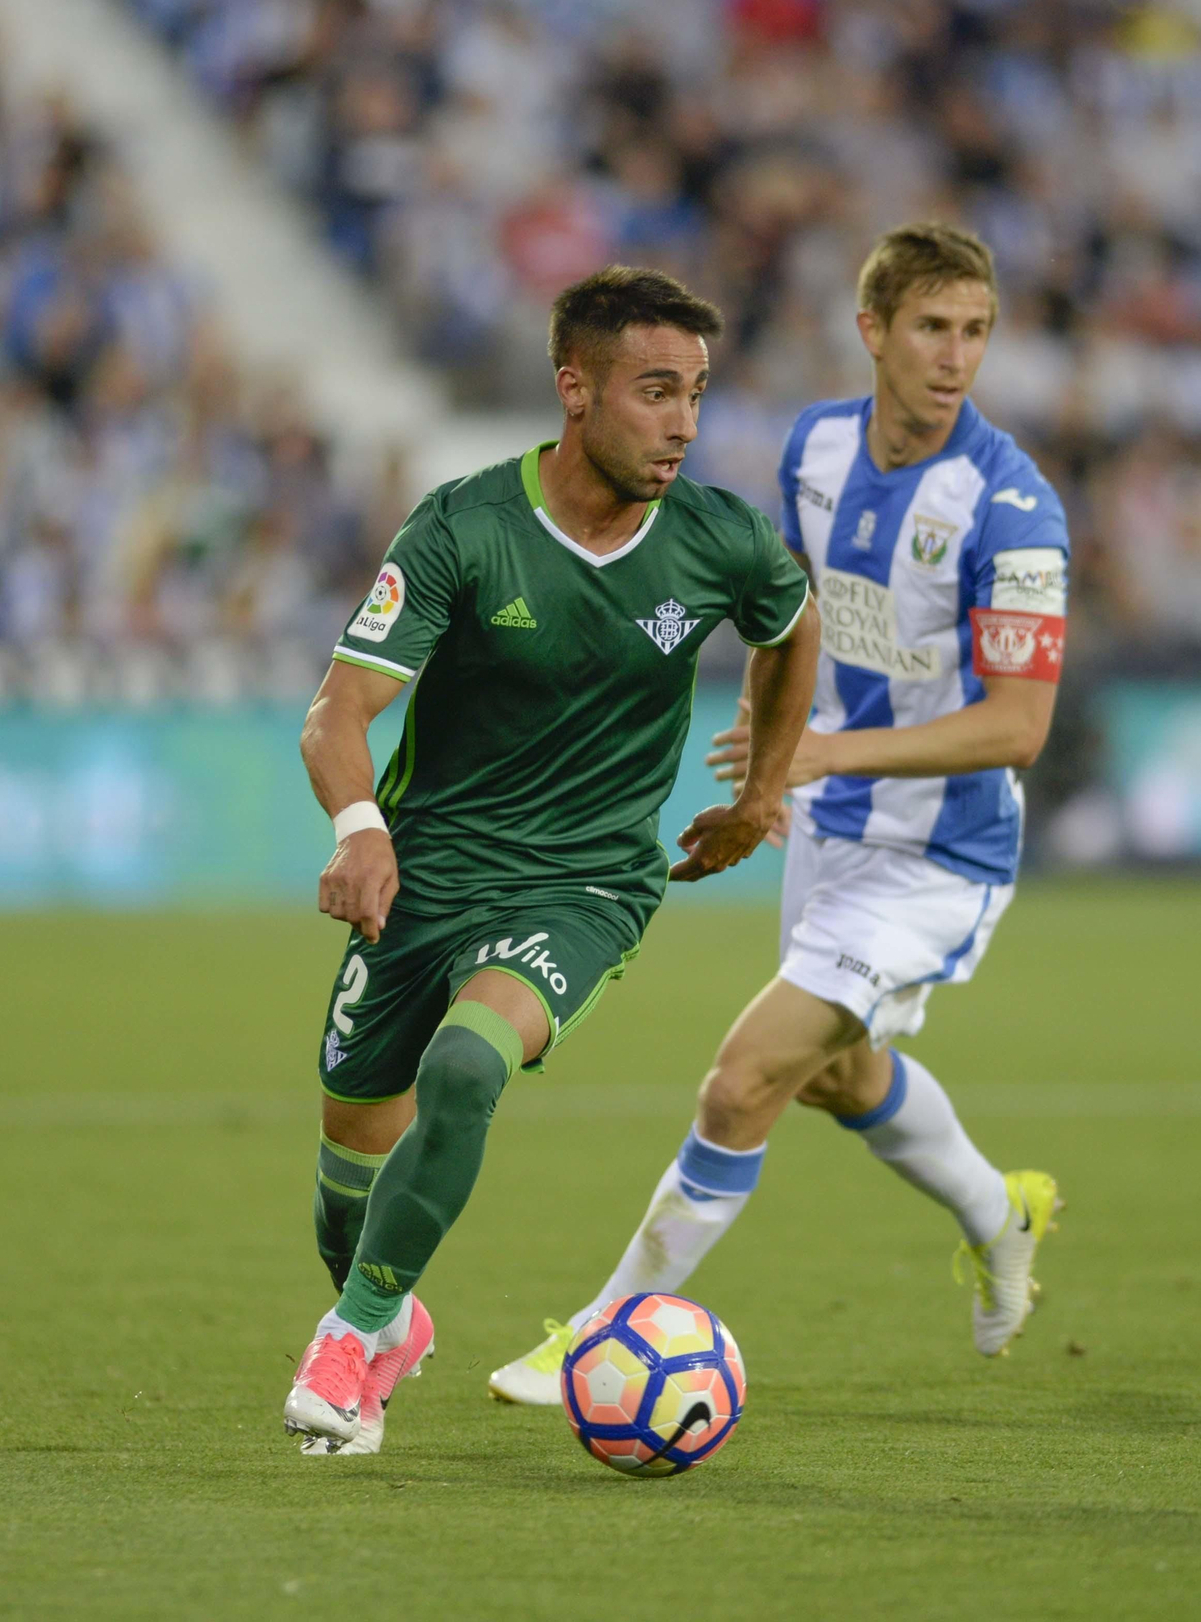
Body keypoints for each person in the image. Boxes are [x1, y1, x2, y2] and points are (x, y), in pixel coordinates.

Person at [489, 223, 1068, 1406]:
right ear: (873, 332)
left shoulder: (1010, 509)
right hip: (827, 820)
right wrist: (770, 765)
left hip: (940, 848)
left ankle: (599, 1336)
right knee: (837, 1075)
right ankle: (1001, 1210)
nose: (955, 357)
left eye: (975, 332)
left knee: (741, 1080)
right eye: (930, 329)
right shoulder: (813, 450)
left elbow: (1018, 728)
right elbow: (783, 621)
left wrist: (816, 750)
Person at [283, 265, 819, 1455]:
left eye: (695, 393)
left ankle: (348, 1335)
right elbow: (338, 711)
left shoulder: (718, 539)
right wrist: (360, 831)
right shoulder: (465, 527)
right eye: (653, 391)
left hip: (586, 883)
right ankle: (386, 1314)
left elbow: (793, 625)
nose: (682, 421)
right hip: (424, 875)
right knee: (346, 1186)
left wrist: (762, 790)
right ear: (574, 389)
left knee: (466, 1068)